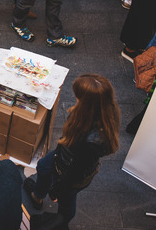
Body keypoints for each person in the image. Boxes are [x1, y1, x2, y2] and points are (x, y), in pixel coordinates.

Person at [24, 74, 120, 224]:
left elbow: (75, 171)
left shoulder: (91, 141)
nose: (76, 99)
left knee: (66, 200)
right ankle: (38, 195)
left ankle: (61, 221)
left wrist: (57, 189)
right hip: (64, 156)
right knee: (43, 166)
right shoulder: (102, 112)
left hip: (70, 173)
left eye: (79, 97)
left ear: (88, 103)